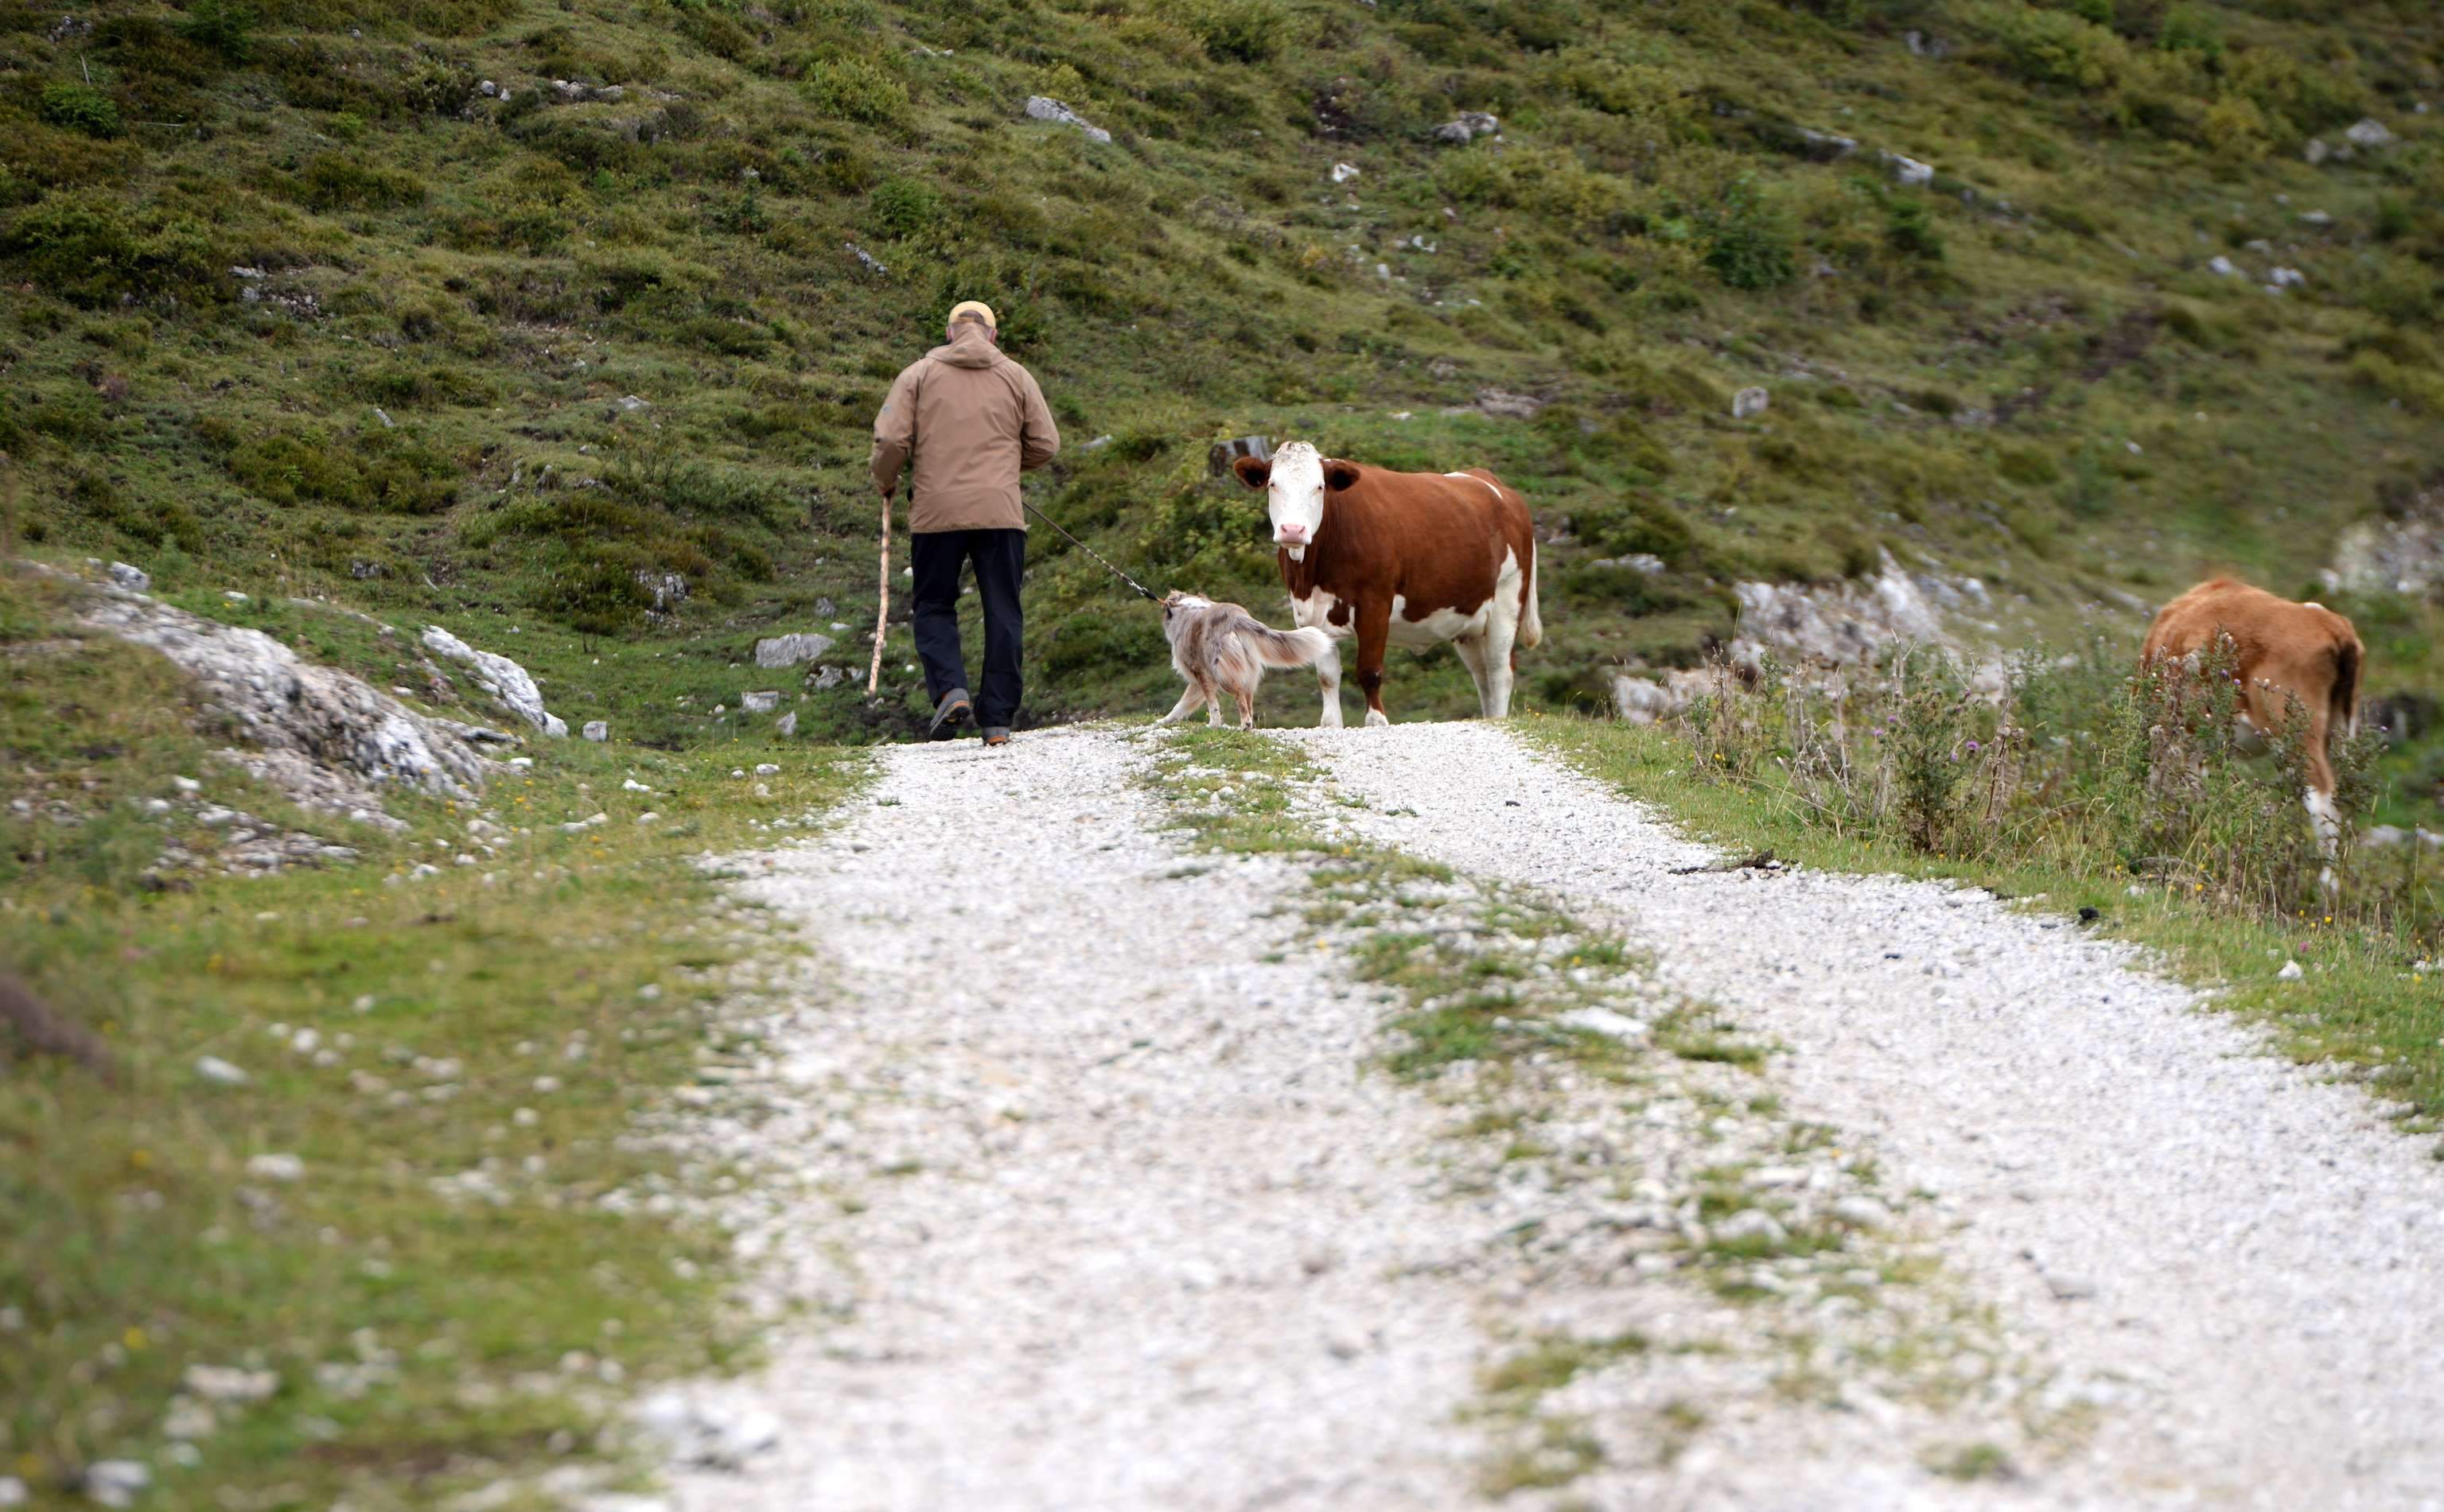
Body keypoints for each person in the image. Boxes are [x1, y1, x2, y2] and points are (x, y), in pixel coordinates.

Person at [870, 301, 1060, 745]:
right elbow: (1046, 444)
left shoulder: (917, 374)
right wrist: (1004, 470)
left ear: (951, 333)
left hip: (937, 512)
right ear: (992, 335)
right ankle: (997, 721)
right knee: (1003, 609)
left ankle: (951, 692)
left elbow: (890, 438)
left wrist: (886, 480)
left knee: (935, 604)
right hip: (1001, 511)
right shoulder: (1017, 375)